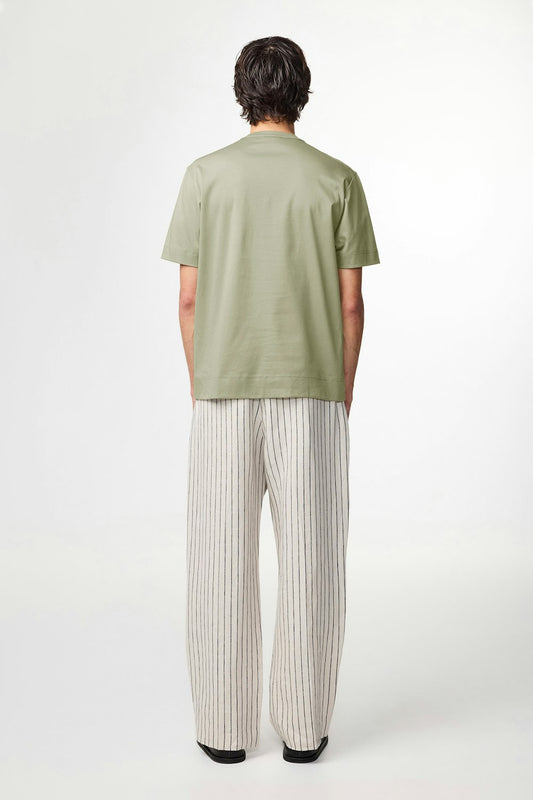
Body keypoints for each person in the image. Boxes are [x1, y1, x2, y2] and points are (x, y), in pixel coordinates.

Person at [161, 35, 380, 764]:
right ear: (302, 93)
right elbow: (351, 307)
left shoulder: (205, 176)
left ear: (242, 93)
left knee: (219, 562)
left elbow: (188, 301)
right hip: (312, 391)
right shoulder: (337, 179)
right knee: (313, 564)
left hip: (222, 389)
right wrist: (340, 392)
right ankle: (303, 730)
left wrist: (206, 384)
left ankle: (224, 733)